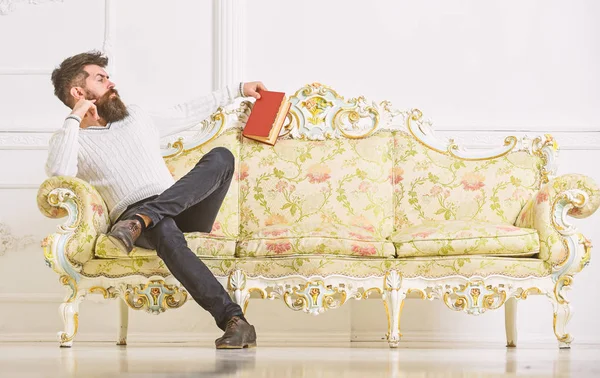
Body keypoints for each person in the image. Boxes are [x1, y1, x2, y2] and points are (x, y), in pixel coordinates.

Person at [46, 50, 265, 349]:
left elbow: (185, 111)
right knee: (161, 228)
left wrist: (237, 90)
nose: (111, 82)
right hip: (135, 216)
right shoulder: (71, 138)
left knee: (222, 157)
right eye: (101, 78)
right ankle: (235, 321)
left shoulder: (135, 116)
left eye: (108, 77)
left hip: (181, 205)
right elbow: (59, 173)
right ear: (78, 91)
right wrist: (74, 117)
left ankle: (144, 218)